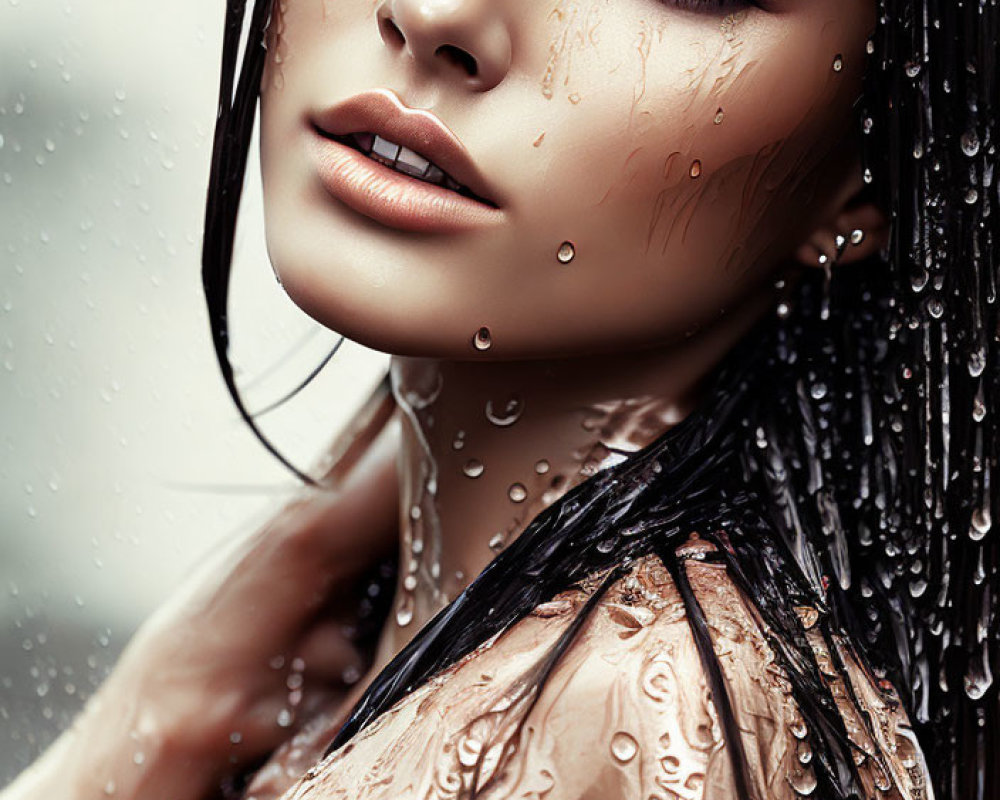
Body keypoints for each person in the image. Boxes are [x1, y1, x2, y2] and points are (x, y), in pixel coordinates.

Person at [3, 0, 997, 798]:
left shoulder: (642, 718)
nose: (439, 17)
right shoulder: (417, 667)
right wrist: (152, 720)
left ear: (872, 174)